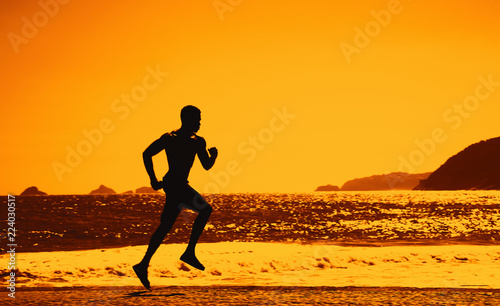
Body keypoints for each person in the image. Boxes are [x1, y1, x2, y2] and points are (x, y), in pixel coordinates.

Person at [133, 105, 217, 290]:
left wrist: (214, 156)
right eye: (197, 119)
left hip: (178, 185)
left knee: (165, 227)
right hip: (174, 185)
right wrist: (152, 178)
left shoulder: (197, 141)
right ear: (187, 119)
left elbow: (206, 165)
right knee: (205, 210)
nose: (200, 123)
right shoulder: (170, 138)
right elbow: (147, 153)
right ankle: (189, 252)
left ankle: (143, 264)